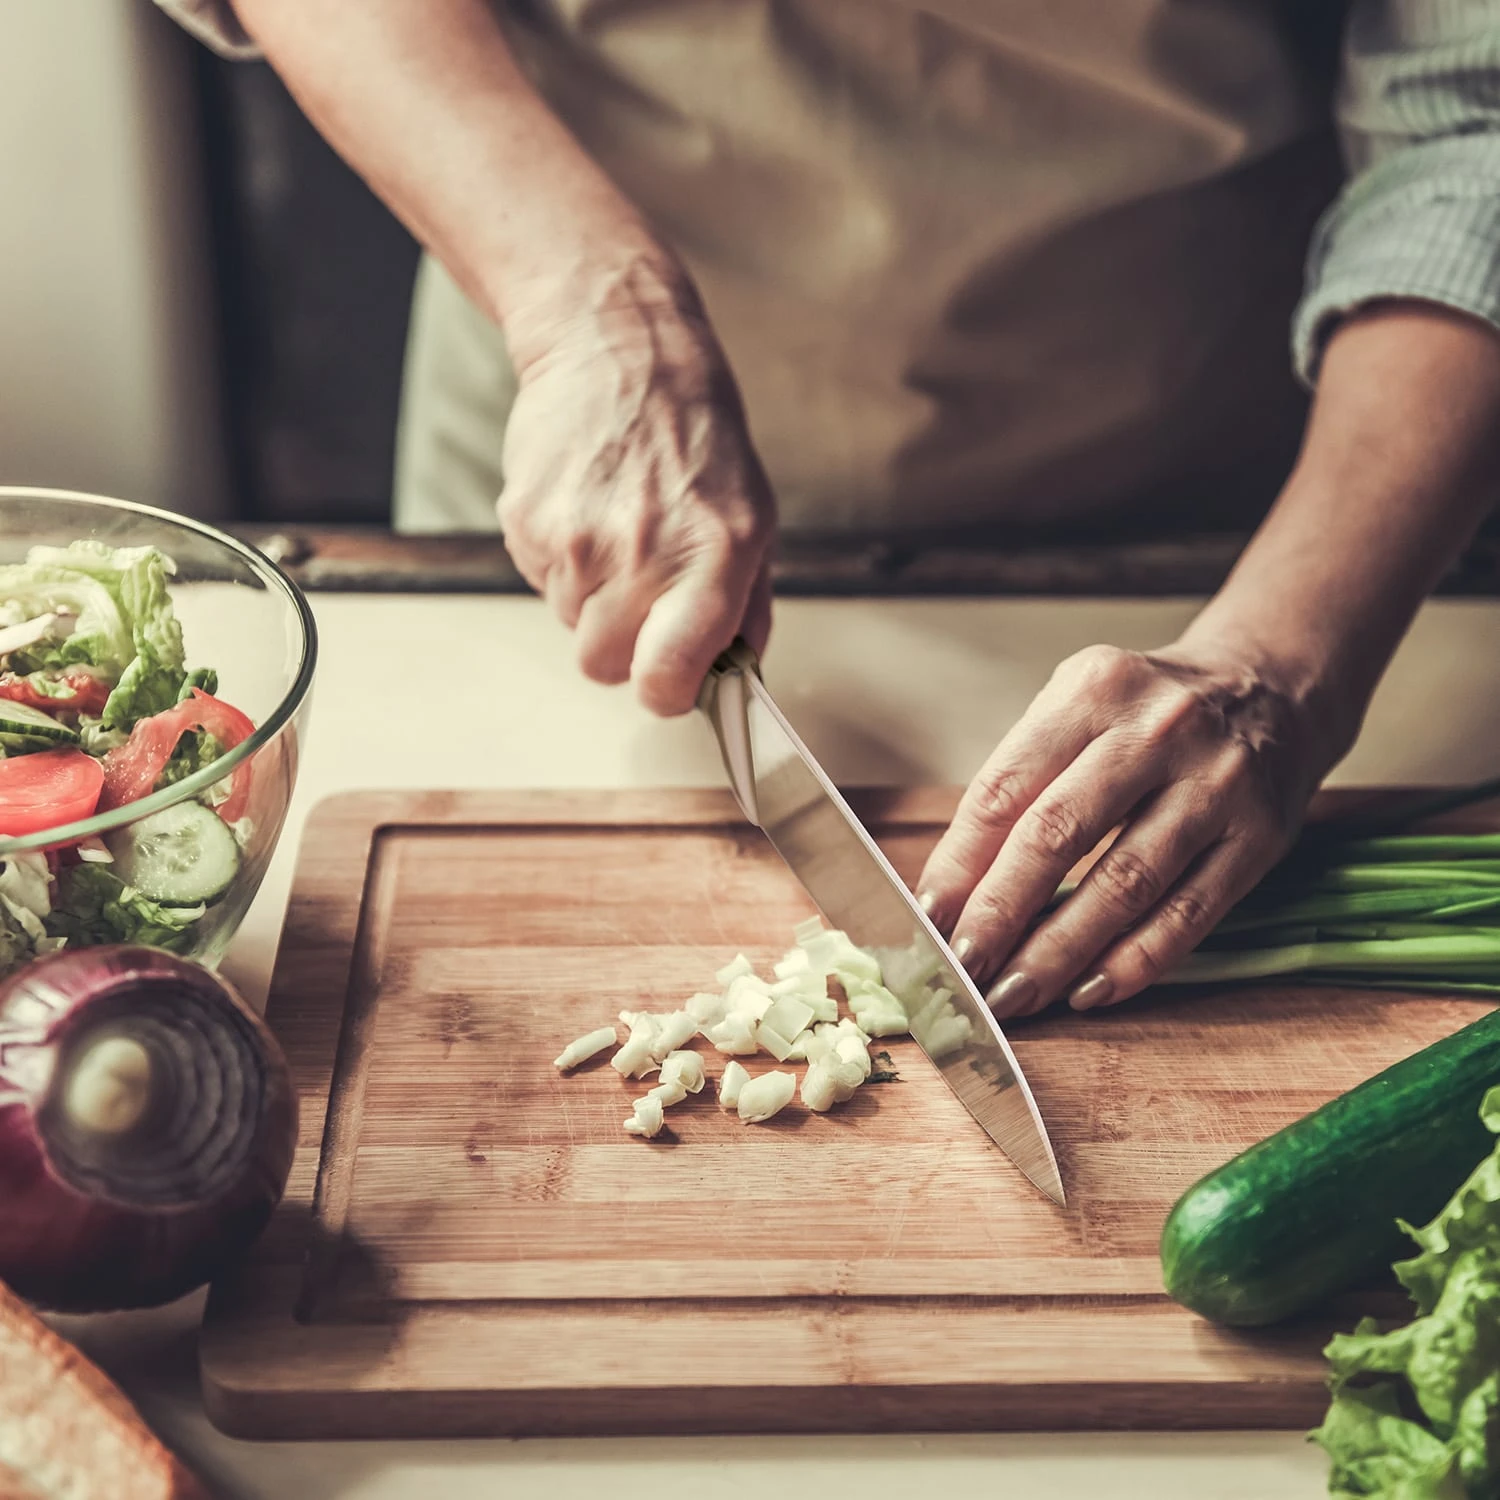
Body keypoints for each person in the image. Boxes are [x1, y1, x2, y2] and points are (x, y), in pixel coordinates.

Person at [160, 0, 1500, 1020]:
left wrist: (1280, 663)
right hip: (566, 416)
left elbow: (1475, 126)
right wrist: (581, 301)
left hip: (1207, 482)